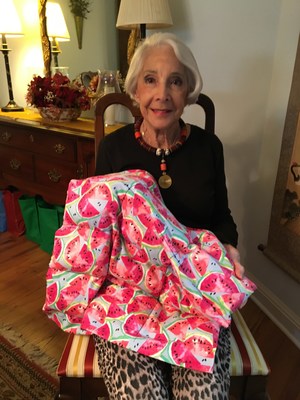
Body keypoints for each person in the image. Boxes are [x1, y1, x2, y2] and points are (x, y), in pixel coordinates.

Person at [94, 32, 245, 399]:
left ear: (188, 91)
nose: (162, 93)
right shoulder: (113, 148)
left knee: (202, 392)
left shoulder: (209, 147)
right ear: (135, 89)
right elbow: (97, 232)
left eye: (175, 81)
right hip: (131, 292)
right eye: (151, 79)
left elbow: (221, 216)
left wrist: (228, 247)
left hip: (195, 288)